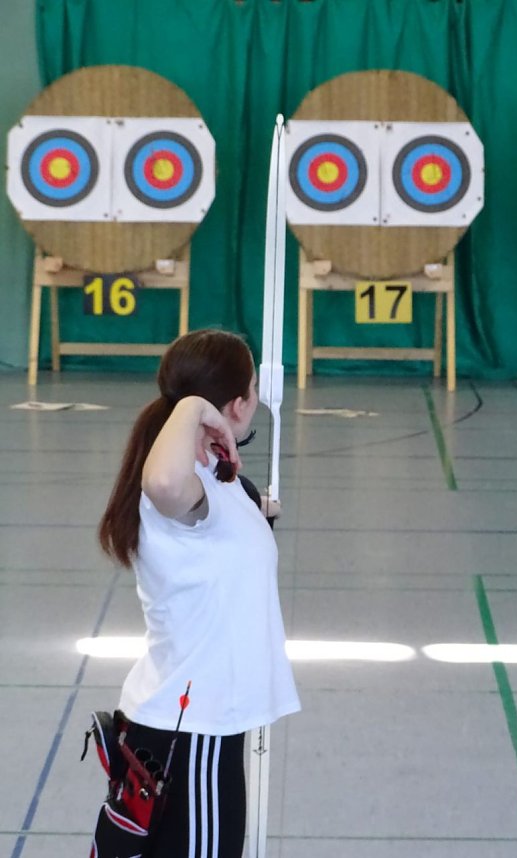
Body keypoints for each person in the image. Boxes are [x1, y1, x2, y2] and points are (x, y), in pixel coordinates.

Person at [96, 328, 300, 858]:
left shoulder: (212, 477)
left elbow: (225, 531)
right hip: (190, 735)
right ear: (239, 404)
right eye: (252, 388)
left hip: (194, 728)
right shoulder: (179, 484)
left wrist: (257, 510)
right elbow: (166, 487)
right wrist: (193, 407)